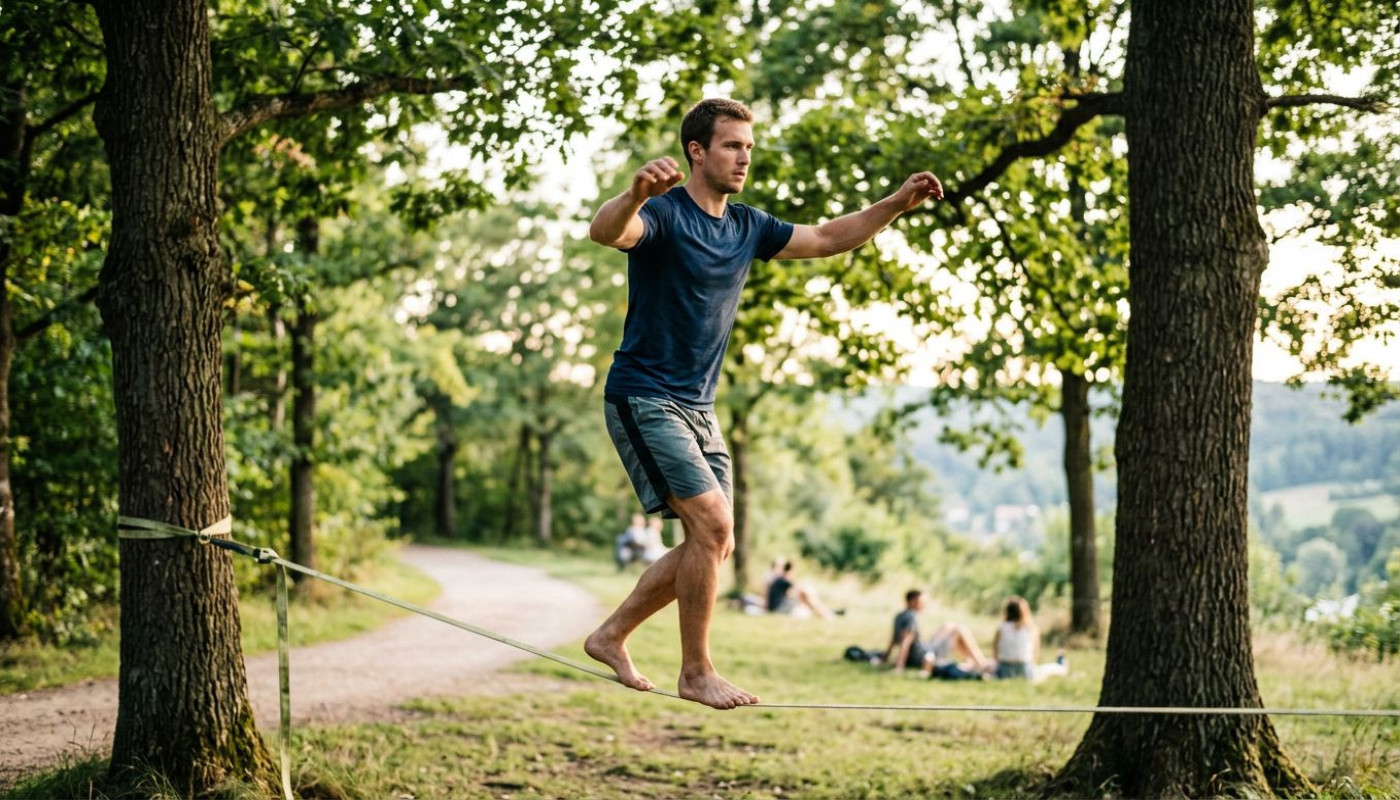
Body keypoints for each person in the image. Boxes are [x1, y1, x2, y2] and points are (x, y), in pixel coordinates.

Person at [582, 97, 943, 709]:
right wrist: (636, 192)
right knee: (715, 524)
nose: (744, 156)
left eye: (748, 146)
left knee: (715, 543)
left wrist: (895, 205)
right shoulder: (665, 216)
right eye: (731, 145)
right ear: (697, 151)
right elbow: (607, 230)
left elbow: (828, 237)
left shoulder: (747, 226)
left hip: (699, 405)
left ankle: (611, 634)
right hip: (644, 395)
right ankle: (696, 671)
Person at [883, 589, 988, 679]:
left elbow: (894, 639)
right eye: (922, 601)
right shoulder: (911, 617)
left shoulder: (899, 616)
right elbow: (906, 641)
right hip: (922, 656)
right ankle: (981, 663)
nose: (924, 604)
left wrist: (885, 658)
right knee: (959, 630)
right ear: (914, 601)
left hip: (923, 649)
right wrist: (899, 666)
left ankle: (973, 662)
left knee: (948, 625)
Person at [992, 595, 1068, 681]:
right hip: (1024, 669)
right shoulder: (1031, 628)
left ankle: (1060, 660)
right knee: (1046, 669)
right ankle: (1061, 661)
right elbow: (1035, 654)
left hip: (1004, 670)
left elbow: (995, 651)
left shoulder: (1001, 628)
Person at [764, 559, 837, 619]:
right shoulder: (783, 580)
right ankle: (823, 613)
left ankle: (822, 611)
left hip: (777, 606)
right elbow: (799, 588)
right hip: (778, 608)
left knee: (806, 596)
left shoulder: (780, 579)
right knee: (805, 593)